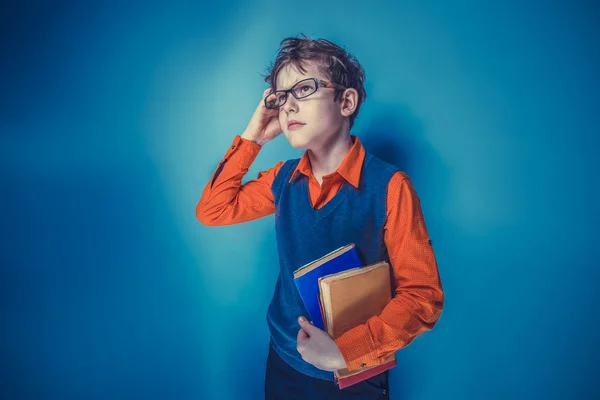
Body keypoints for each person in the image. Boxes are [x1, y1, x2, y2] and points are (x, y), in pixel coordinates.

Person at [196, 33, 444, 400]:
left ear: (346, 101)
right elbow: (213, 210)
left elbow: (422, 296)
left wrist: (348, 350)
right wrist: (254, 136)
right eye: (280, 97)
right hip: (283, 361)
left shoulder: (390, 187)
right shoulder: (281, 179)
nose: (288, 107)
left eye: (303, 89)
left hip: (354, 374)